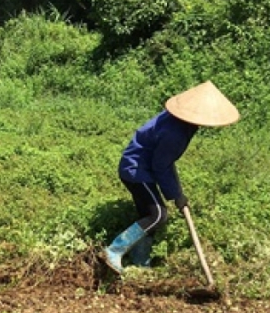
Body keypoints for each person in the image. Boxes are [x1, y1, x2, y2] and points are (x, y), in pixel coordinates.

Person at [103, 81, 240, 274]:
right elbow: (161, 166)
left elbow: (166, 162)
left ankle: (140, 262)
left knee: (148, 216)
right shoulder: (175, 132)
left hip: (139, 166)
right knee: (158, 215)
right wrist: (175, 196)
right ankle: (114, 250)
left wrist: (178, 193)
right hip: (137, 170)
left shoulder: (179, 122)